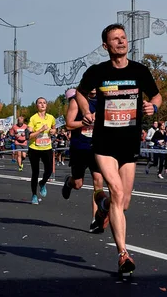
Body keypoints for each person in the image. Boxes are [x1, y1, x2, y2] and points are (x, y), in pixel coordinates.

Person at [76, 23, 161, 275]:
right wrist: (85, 111)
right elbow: (81, 94)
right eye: (115, 39)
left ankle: (103, 207)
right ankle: (123, 254)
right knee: (115, 189)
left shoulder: (140, 70)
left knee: (122, 203)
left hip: (129, 143)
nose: (121, 42)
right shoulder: (97, 71)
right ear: (106, 46)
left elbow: (157, 96)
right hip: (104, 142)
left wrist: (152, 107)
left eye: (123, 38)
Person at [62, 88, 106, 232]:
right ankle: (69, 182)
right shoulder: (76, 101)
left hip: (97, 147)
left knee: (98, 182)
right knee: (78, 184)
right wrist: (87, 120)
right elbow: (68, 124)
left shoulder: (103, 100)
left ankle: (96, 220)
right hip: (80, 147)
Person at [27, 97, 56, 204]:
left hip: (47, 148)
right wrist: (41, 130)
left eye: (44, 103)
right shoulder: (33, 118)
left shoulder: (51, 117)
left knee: (49, 170)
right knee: (35, 172)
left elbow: (54, 128)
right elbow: (29, 136)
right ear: (37, 106)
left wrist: (53, 131)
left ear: (46, 105)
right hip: (34, 148)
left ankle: (42, 183)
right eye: (40, 103)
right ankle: (34, 195)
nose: (42, 105)